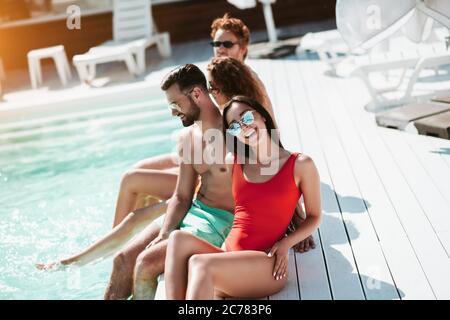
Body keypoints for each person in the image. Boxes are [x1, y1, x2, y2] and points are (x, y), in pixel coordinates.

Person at [164, 96, 322, 299]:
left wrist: (287, 243)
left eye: (246, 117)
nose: (244, 127)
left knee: (199, 263)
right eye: (235, 126)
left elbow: (314, 216)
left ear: (262, 116)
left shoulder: (301, 164)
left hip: (266, 263)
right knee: (177, 239)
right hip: (228, 257)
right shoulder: (234, 163)